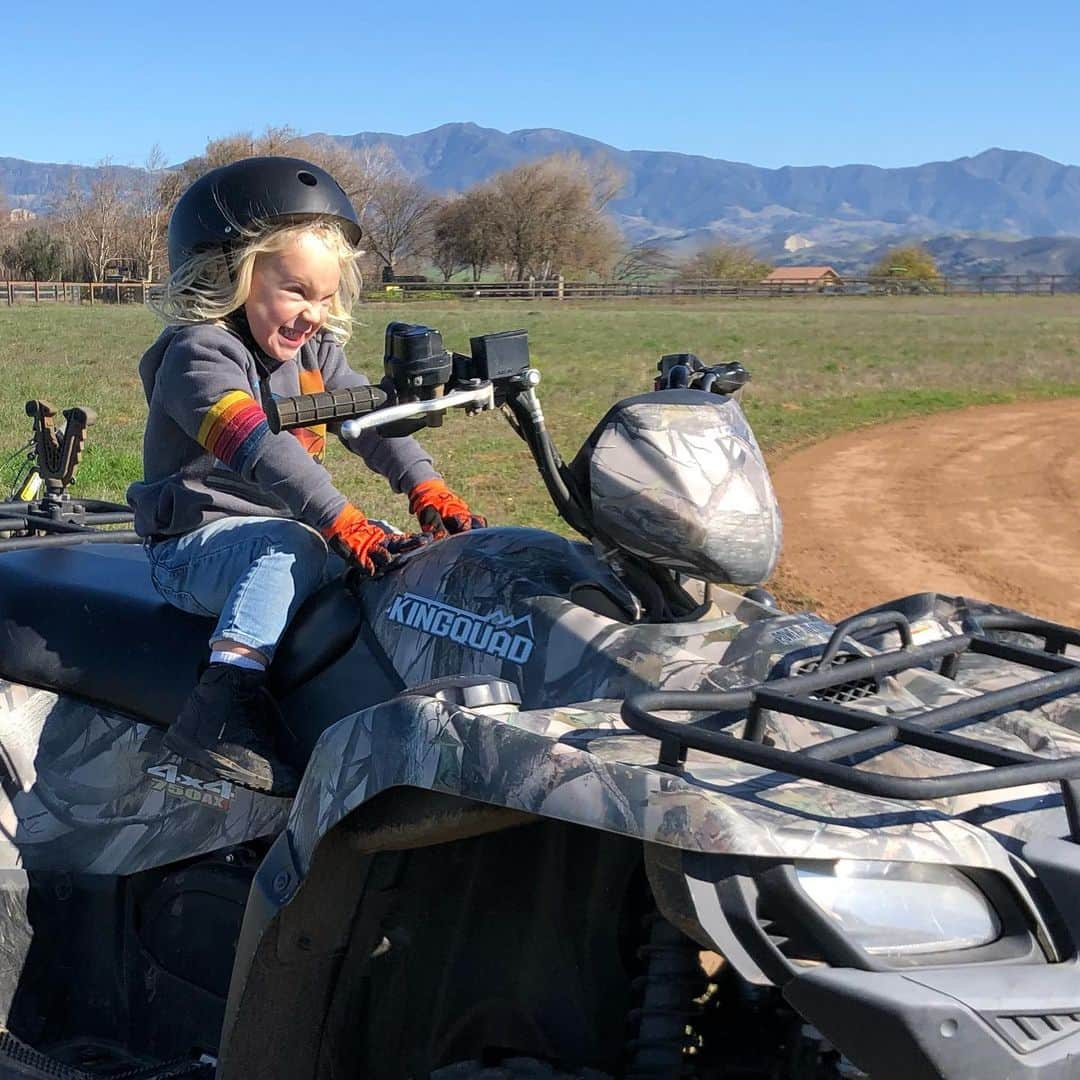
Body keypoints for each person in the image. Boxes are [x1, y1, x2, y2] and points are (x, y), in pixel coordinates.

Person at [127, 156, 484, 797]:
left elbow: (371, 423)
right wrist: (338, 518)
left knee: (395, 556)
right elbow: (261, 449)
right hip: (191, 548)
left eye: (325, 297)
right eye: (295, 290)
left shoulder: (315, 351)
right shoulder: (199, 355)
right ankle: (220, 710)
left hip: (276, 538)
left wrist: (425, 487)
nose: (313, 314)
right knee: (292, 542)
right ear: (228, 274)